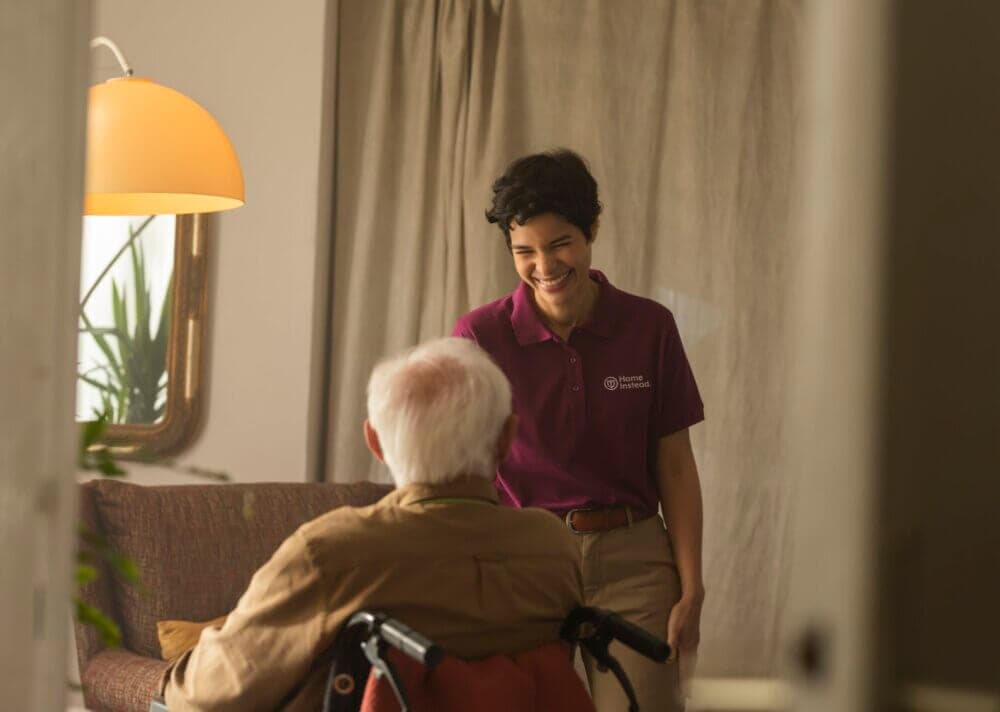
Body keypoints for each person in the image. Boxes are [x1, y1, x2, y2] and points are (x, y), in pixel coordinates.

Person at [161, 337, 583, 711]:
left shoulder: (332, 552)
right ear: (509, 437)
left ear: (375, 442)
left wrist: (173, 674)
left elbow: (208, 697)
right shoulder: (554, 547)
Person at [453, 149, 706, 711]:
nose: (544, 265)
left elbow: (676, 465)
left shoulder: (650, 327)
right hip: (525, 562)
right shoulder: (477, 336)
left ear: (592, 229)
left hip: (636, 564)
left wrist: (692, 589)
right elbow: (466, 473)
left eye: (559, 243)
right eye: (525, 251)